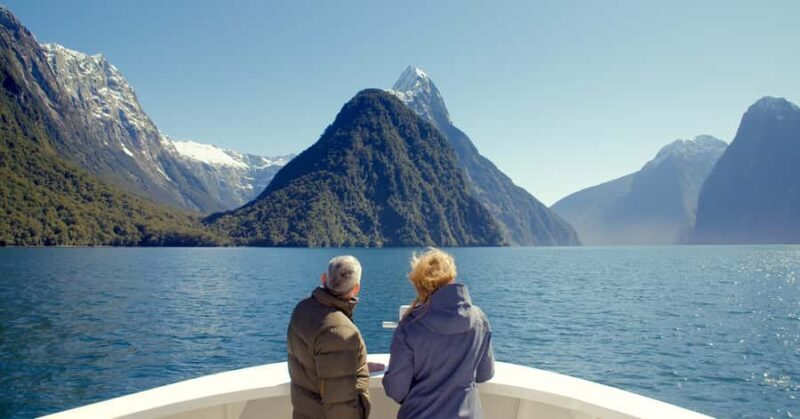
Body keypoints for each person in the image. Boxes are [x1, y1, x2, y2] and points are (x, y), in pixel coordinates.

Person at [383, 248, 495, 419]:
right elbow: (485, 373)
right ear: (452, 276)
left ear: (421, 285)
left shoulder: (410, 326)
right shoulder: (479, 319)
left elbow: (396, 389)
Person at [287, 255, 375, 419]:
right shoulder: (341, 332)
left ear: (324, 278)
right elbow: (341, 406)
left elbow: (317, 362)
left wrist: (357, 365)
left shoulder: (302, 309)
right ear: (356, 288)